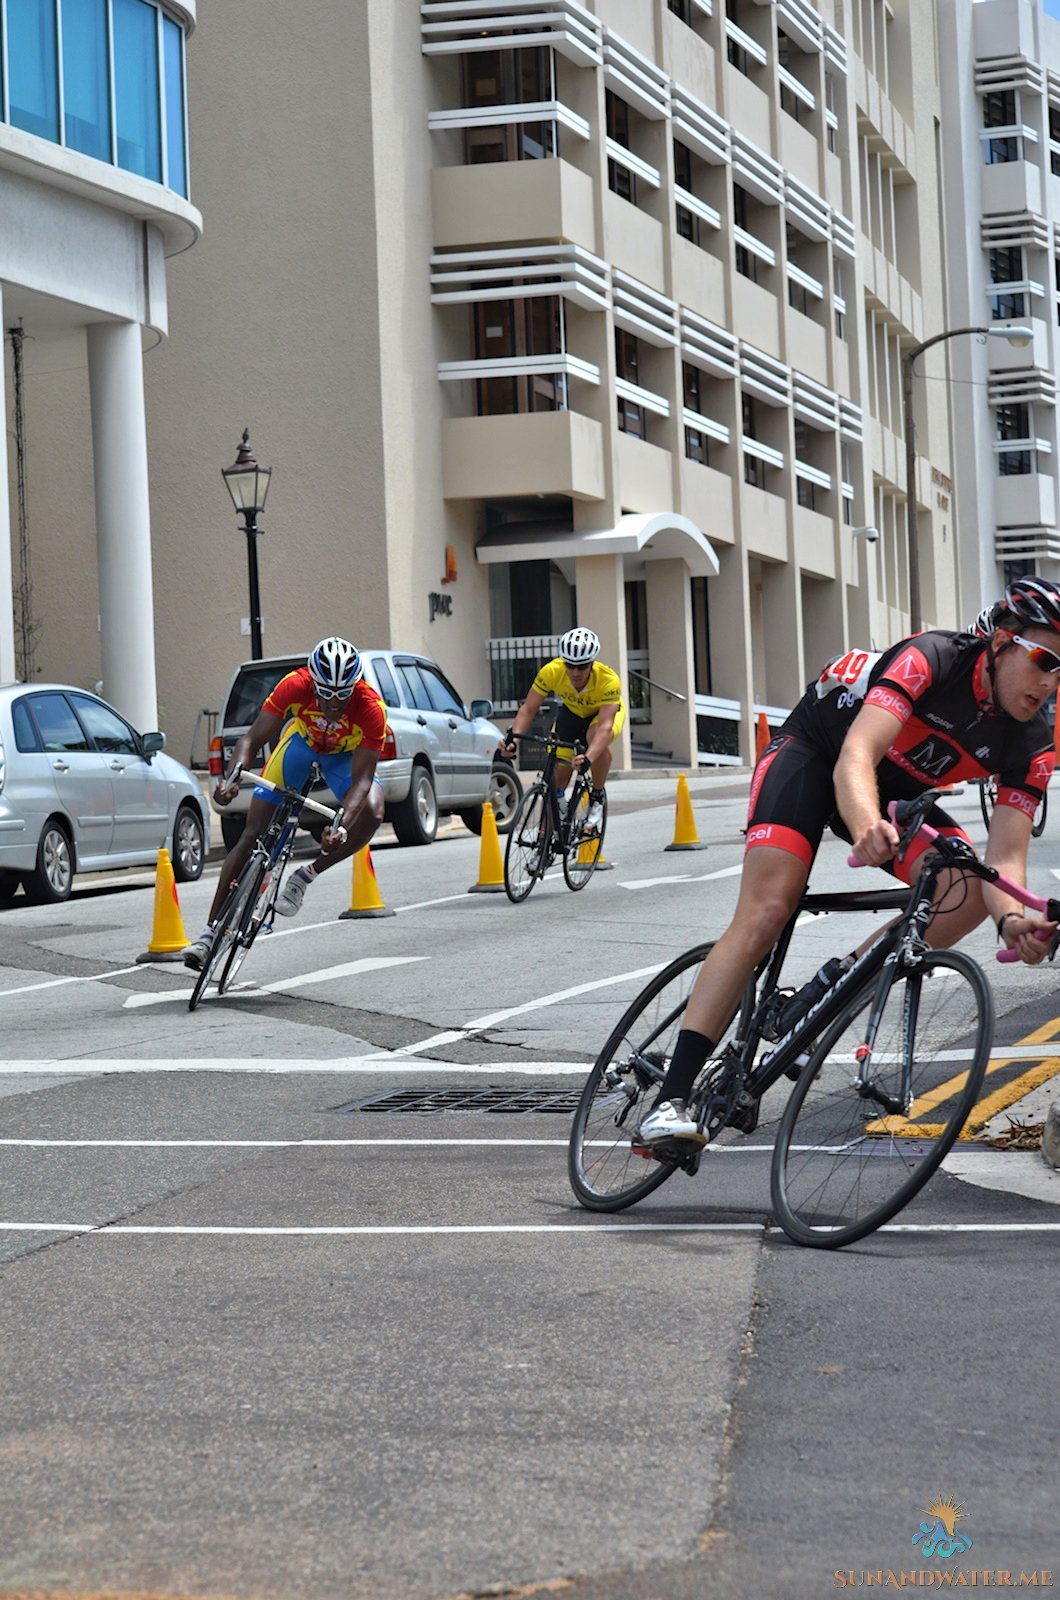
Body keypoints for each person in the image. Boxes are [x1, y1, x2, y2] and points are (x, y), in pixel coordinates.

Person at [637, 576, 1060, 1146]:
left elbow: (1005, 857)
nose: (1050, 682)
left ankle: (828, 992)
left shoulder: (1034, 741)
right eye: (1044, 660)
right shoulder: (932, 659)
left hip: (896, 792)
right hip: (817, 755)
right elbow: (856, 754)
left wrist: (1013, 921)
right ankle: (669, 1102)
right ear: (1003, 642)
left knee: (965, 891)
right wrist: (865, 828)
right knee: (769, 909)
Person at [184, 637, 387, 970]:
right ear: (313, 682)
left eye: (343, 694)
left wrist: (340, 826)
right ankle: (209, 934)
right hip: (301, 746)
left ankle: (304, 876)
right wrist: (230, 780)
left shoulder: (370, 707)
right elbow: (252, 739)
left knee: (374, 811)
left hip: (344, 758)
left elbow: (362, 781)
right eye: (326, 693)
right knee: (251, 834)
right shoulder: (295, 684)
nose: (334, 703)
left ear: (356, 686)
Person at [500, 627, 625, 835]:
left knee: (595, 737)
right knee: (557, 778)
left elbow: (605, 727)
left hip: (601, 716)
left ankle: (596, 797)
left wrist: (588, 758)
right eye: (570, 665)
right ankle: (546, 842)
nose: (575, 672)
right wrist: (513, 740)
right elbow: (528, 709)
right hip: (572, 714)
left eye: (582, 666)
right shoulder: (551, 671)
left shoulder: (608, 680)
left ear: (592, 663)